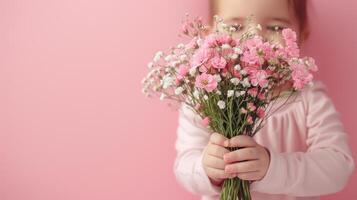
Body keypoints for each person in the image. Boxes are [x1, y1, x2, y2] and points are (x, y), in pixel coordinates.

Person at [173, 0, 355, 199]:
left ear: (300, 38)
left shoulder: (309, 100)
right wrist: (207, 169)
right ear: (209, 36)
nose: (255, 39)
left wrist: (272, 167)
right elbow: (184, 165)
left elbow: (337, 169)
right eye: (235, 27)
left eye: (276, 27)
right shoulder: (204, 97)